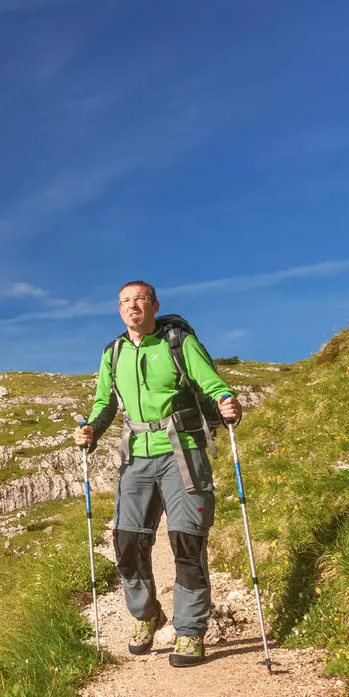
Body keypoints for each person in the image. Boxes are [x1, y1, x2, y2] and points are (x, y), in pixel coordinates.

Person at [73, 280, 241, 667]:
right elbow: (104, 403)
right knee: (127, 543)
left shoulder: (178, 342)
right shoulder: (112, 353)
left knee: (187, 541)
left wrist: (227, 401)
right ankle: (147, 615)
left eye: (140, 300)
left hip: (182, 452)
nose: (133, 306)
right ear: (119, 310)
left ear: (154, 305)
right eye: (125, 302)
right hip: (137, 458)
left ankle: (189, 631)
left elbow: (212, 383)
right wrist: (91, 431)